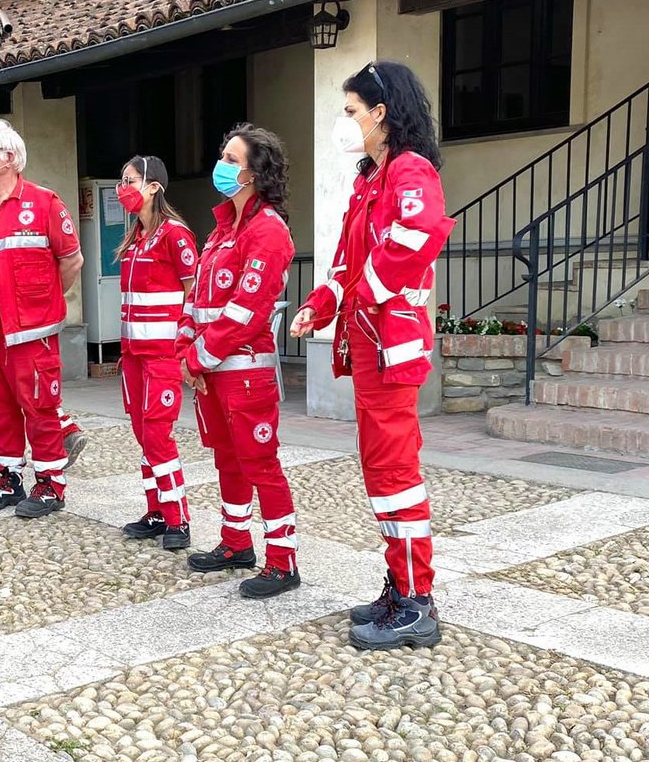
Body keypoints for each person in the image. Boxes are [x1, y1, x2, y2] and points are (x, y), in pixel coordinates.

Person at [291, 61, 456, 650]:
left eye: (352, 111)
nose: (346, 121)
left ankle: (416, 600)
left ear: (382, 113)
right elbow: (346, 261)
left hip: (390, 345)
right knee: (382, 471)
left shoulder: (409, 173)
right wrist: (321, 302)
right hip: (369, 341)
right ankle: (402, 583)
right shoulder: (370, 180)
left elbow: (416, 239)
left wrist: (357, 296)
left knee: (394, 473)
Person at [179, 124, 300, 600]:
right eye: (223, 156)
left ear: (254, 173)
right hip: (211, 370)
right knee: (227, 459)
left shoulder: (267, 230)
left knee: (260, 464)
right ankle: (235, 543)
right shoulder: (221, 230)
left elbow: (245, 313)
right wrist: (188, 353)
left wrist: (198, 358)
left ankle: (283, 560)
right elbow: (198, 301)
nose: (222, 166)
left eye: (232, 159)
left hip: (244, 372)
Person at [0, 118, 84, 518]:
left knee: (40, 406)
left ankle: (50, 485)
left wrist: (41, 302)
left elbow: (71, 260)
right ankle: (8, 477)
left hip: (30, 331)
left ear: (9, 158)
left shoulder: (44, 204)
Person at [114, 155, 196, 550]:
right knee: (142, 434)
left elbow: (193, 291)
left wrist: (186, 347)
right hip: (132, 355)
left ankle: (179, 517)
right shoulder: (134, 238)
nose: (122, 187)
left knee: (159, 434)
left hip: (162, 355)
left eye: (129, 180)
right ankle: (156, 510)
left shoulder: (175, 235)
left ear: (153, 186)